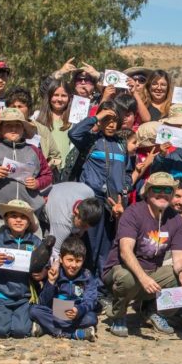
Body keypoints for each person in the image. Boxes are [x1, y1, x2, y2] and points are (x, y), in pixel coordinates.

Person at [101, 173, 182, 337]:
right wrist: (143, 278)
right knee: (127, 278)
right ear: (148, 191)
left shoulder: (177, 221)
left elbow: (179, 257)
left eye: (168, 189)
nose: (163, 193)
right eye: (157, 188)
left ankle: (153, 311)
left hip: (152, 273)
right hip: (121, 271)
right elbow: (125, 251)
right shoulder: (133, 213)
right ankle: (118, 315)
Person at [0, 108, 53, 256]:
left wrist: (38, 183)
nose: (13, 129)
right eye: (8, 125)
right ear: (0, 129)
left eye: (18, 125)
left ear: (24, 129)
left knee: (30, 260)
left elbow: (48, 175)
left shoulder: (34, 151)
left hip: (27, 218)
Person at [67, 102, 131, 282]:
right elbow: (73, 133)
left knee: (107, 249)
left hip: (112, 206)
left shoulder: (121, 145)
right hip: (91, 202)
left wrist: (124, 190)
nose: (111, 124)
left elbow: (127, 172)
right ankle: (83, 286)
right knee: (89, 247)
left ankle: (100, 290)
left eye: (114, 120)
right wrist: (97, 117)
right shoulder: (91, 140)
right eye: (107, 120)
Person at [0, 200, 44, 338]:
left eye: (23, 217)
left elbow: (43, 268)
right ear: (6, 220)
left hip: (24, 297)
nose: (18, 220)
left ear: (29, 222)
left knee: (20, 331)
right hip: (1, 295)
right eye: (14, 216)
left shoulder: (35, 242)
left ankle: (32, 323)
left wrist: (41, 274)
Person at [31, 235, 99, 340]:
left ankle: (50, 329)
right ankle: (73, 334)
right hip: (56, 311)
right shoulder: (55, 273)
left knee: (91, 318)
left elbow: (91, 299)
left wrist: (78, 310)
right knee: (34, 310)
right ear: (61, 259)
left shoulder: (87, 276)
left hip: (75, 312)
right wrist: (51, 281)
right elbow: (44, 302)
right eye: (70, 260)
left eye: (78, 261)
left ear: (83, 260)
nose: (73, 265)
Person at [5, 87, 62, 172]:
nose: (16, 110)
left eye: (20, 106)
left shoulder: (42, 130)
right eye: (13, 107)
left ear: (29, 108)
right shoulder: (2, 129)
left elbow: (56, 156)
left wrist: (47, 166)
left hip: (37, 179)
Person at [44, 182, 102, 257]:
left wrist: (82, 230)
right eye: (83, 225)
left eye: (88, 227)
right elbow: (54, 253)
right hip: (42, 207)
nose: (86, 229)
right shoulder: (63, 223)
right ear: (76, 212)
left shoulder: (89, 192)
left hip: (60, 194)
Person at [34, 79, 74, 164]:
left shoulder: (74, 119)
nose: (59, 99)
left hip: (66, 169)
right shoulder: (37, 116)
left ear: (69, 97)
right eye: (55, 95)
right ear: (49, 96)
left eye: (63, 96)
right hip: (45, 168)